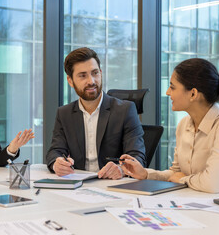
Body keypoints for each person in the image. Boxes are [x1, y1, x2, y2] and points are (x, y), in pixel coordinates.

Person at [120, 58, 219, 195]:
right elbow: (175, 173)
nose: (167, 92)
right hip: (194, 202)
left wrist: (182, 178)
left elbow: (213, 184)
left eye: (172, 87)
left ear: (193, 94)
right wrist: (146, 174)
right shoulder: (184, 124)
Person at [46, 47, 146, 180]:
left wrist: (121, 169)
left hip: (113, 184)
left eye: (95, 73)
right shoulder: (64, 113)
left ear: (101, 73)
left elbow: (137, 156)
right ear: (70, 81)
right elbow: (55, 151)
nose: (91, 81)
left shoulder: (125, 110)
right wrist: (57, 163)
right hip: (79, 185)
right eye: (82, 75)